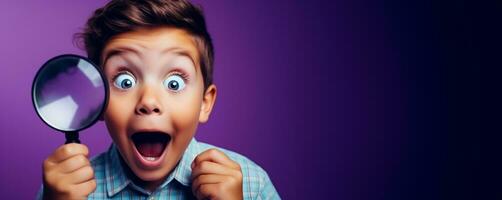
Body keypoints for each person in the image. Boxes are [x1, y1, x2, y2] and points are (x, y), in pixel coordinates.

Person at [37, 0, 280, 199]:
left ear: (205, 103)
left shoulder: (251, 183)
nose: (149, 101)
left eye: (174, 83)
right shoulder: (64, 190)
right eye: (125, 82)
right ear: (101, 102)